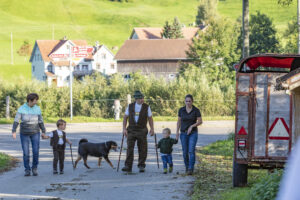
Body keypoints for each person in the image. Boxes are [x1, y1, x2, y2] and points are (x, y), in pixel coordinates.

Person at [12, 93, 46, 176]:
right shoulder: (21, 108)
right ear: (30, 100)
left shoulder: (37, 109)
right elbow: (16, 120)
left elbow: (40, 121)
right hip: (24, 133)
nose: (36, 102)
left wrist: (43, 131)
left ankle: (34, 168)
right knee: (26, 152)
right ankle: (27, 169)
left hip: (35, 133)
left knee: (35, 151)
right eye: (35, 100)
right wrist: (14, 131)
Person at [122, 90, 155, 173]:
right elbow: (125, 117)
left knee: (143, 148)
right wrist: (124, 128)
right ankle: (128, 166)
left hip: (142, 130)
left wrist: (152, 128)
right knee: (130, 148)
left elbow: (150, 118)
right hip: (131, 130)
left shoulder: (146, 107)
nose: (142, 100)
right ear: (136, 99)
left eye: (143, 98)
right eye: (140, 98)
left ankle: (141, 165)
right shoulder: (130, 106)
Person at [176, 94, 202, 175]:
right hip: (183, 133)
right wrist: (177, 132)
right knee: (185, 152)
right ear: (184, 101)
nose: (188, 103)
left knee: (191, 151)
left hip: (193, 133)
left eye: (189, 101)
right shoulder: (181, 110)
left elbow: (200, 121)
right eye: (186, 101)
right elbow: (179, 121)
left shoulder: (196, 110)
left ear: (192, 101)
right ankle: (187, 167)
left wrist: (192, 126)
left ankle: (191, 168)